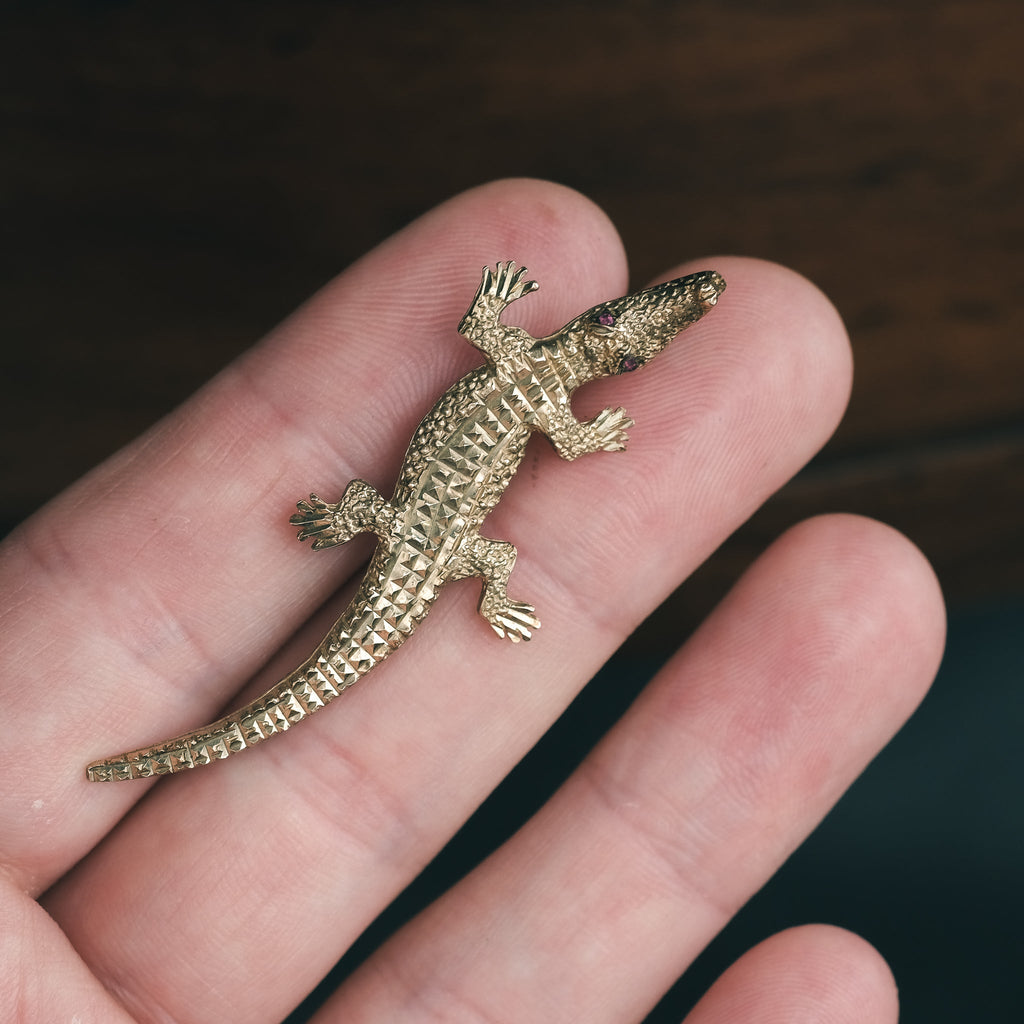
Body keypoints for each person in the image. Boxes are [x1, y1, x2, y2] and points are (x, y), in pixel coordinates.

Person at [0, 179, 944, 1022]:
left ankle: (340, 553)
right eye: (610, 325)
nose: (600, 334)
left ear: (607, 356)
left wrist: (539, 461)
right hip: (425, 532)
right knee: (370, 592)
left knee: (361, 611)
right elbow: (520, 381)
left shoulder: (536, 388)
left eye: (615, 339)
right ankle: (330, 555)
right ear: (597, 330)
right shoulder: (535, 385)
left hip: (425, 532)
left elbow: (531, 397)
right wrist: (546, 386)